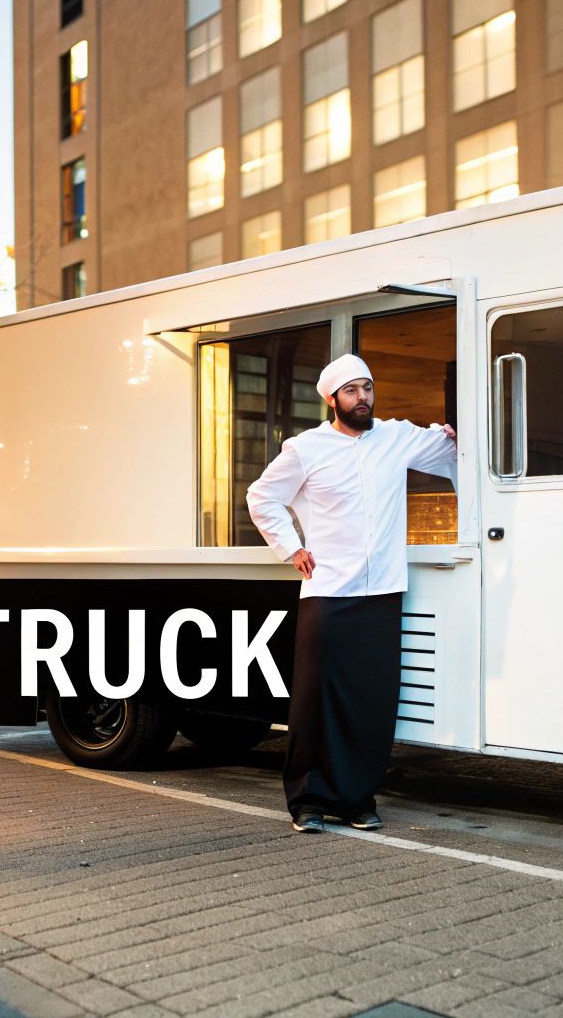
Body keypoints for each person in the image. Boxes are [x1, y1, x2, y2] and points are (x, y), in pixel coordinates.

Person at [245, 353, 456, 833]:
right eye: (352, 390)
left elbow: (453, 457)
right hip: (328, 590)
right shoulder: (306, 448)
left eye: (368, 388)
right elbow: (262, 497)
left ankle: (358, 797)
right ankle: (307, 800)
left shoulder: (397, 437)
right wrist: (291, 548)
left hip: (382, 589)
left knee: (372, 699)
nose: (363, 398)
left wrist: (454, 439)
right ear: (331, 399)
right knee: (315, 699)